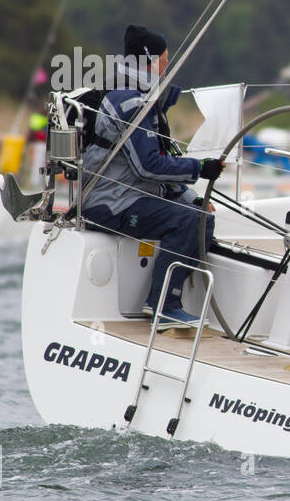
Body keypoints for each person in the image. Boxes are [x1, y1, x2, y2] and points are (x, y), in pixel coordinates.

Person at [82, 25, 225, 325]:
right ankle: (164, 305)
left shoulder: (137, 96)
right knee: (193, 221)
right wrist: (199, 169)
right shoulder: (130, 101)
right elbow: (148, 166)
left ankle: (167, 302)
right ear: (148, 60)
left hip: (123, 196)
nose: (167, 66)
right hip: (112, 204)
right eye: (164, 59)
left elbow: (150, 168)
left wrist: (190, 197)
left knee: (195, 212)